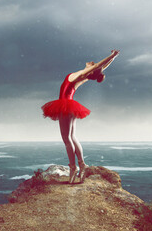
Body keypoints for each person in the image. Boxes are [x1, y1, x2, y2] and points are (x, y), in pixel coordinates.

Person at [41, 50, 120, 184]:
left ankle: (73, 168)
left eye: (93, 65)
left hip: (65, 105)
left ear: (90, 70)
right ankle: (82, 164)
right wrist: (113, 58)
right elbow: (99, 68)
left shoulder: (81, 75)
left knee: (67, 139)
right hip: (70, 106)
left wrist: (112, 56)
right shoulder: (85, 76)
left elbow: (97, 68)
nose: (93, 63)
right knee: (72, 137)